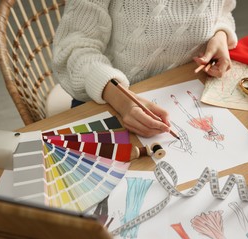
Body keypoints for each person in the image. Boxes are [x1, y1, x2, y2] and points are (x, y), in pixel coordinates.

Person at [52, 0, 238, 137]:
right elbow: (74, 50)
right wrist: (122, 100)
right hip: (108, 96)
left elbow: (223, 11)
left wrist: (220, 34)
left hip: (191, 94)